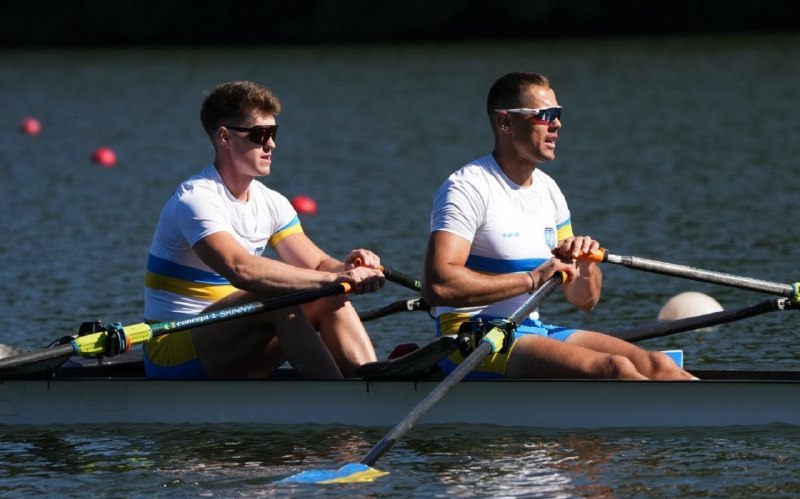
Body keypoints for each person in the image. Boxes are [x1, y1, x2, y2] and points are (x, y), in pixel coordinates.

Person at [422, 72, 695, 380]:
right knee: (614, 369)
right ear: (505, 122)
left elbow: (584, 300)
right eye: (545, 115)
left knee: (659, 365)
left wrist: (585, 267)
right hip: (469, 339)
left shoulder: (549, 191)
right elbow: (438, 286)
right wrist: (532, 279)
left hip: (531, 329)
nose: (557, 124)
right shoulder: (467, 188)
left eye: (559, 114)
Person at [143, 80, 385, 379]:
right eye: (260, 135)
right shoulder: (196, 200)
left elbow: (319, 266)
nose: (271, 145)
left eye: (273, 133)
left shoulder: (272, 202)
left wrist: (350, 269)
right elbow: (240, 269)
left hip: (233, 341)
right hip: (171, 351)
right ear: (224, 137)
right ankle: (338, 397)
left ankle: (369, 381)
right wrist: (333, 279)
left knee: (330, 296)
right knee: (277, 296)